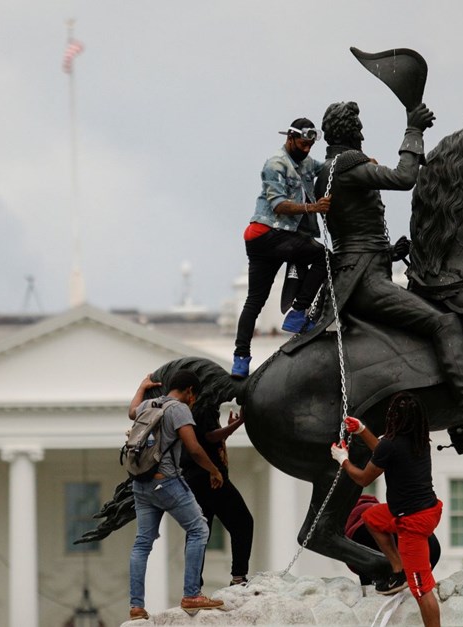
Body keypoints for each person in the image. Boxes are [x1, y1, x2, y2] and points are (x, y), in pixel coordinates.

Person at [308, 100, 463, 431]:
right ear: (352, 132)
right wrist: (414, 130)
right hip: (365, 282)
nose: (363, 134)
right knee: (444, 324)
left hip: (366, 269)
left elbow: (355, 234)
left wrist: (390, 252)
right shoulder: (345, 165)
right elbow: (404, 177)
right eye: (360, 128)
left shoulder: (333, 168)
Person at [330, 392, 442, 627]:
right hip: (424, 509)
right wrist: (361, 430)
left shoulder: (392, 445)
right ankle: (398, 569)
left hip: (413, 522)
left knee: (421, 589)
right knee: (371, 517)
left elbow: (362, 479)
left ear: (394, 418)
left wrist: (343, 460)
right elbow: (382, 450)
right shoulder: (419, 440)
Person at [231, 118, 331, 378]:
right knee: (324, 257)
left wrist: (362, 163)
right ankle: (298, 313)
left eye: (311, 144)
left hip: (271, 238)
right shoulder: (275, 164)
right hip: (267, 234)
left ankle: (240, 361)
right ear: (290, 138)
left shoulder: (306, 162)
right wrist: (312, 207)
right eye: (303, 143)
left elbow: (328, 168)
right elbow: (278, 205)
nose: (307, 148)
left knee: (255, 301)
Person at [127, 370, 225, 620]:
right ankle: (192, 594)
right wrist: (214, 470)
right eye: (195, 395)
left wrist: (142, 386)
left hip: (141, 483)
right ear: (190, 391)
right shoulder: (179, 409)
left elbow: (131, 412)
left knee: (142, 544)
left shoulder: (150, 404)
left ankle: (137, 606)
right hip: (166, 482)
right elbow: (193, 448)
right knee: (199, 529)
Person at [181, 408, 253, 587]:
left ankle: (193, 584)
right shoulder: (205, 404)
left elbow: (209, 443)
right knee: (243, 522)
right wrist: (238, 423)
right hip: (211, 479)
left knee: (200, 532)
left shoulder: (190, 408)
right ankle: (238, 577)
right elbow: (209, 437)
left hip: (195, 478)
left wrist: (229, 429)